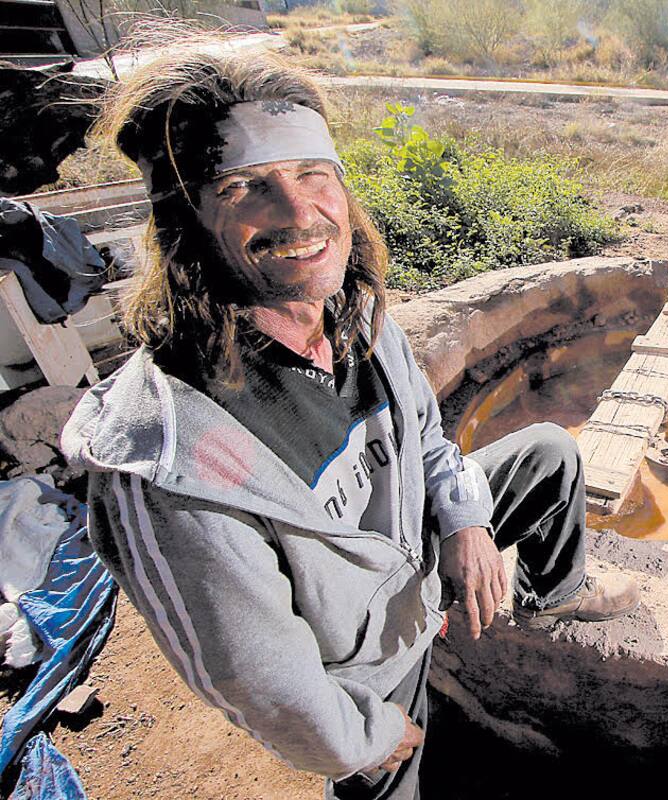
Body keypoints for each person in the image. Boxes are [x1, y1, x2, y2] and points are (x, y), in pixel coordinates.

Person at [61, 45, 638, 800]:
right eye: (244, 187)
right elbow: (258, 678)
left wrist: (465, 524)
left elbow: (430, 440)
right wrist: (362, 737)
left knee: (548, 453)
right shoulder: (175, 458)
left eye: (311, 175)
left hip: (415, 572)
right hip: (362, 669)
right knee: (389, 780)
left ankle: (550, 596)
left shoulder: (354, 318)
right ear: (186, 221)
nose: (299, 214)